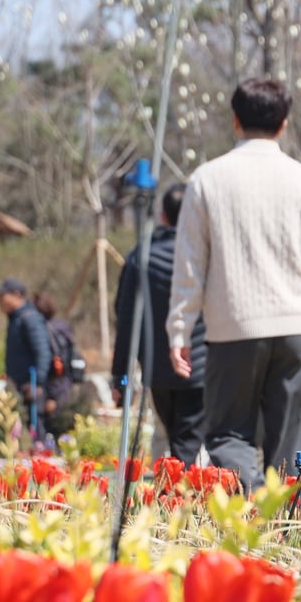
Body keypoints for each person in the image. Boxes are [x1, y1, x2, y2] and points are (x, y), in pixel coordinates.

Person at [167, 78, 301, 491]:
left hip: (233, 330)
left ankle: (249, 510)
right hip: (295, 330)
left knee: (229, 434)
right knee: (288, 443)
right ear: (284, 124)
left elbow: (190, 268)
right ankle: (280, 529)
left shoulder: (206, 181)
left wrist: (179, 329)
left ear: (235, 121)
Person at [114, 182, 206, 467]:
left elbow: (126, 317)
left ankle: (172, 502)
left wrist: (120, 374)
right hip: (201, 365)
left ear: (163, 216)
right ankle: (185, 504)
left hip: (158, 368)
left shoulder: (141, 257)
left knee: (171, 439)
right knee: (188, 443)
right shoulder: (206, 253)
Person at [0, 278, 50, 437]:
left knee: (35, 433)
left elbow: (42, 351)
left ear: (16, 295)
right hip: (18, 388)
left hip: (31, 388)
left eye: (2, 296)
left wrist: (38, 383)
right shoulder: (15, 319)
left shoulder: (30, 318)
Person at [34, 291, 81, 436]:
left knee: (54, 426)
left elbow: (52, 360)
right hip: (66, 381)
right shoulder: (62, 326)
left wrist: (51, 398)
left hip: (55, 383)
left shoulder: (46, 330)